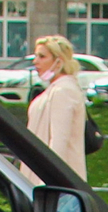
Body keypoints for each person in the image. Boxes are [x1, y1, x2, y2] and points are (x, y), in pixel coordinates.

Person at [24, 35, 89, 181]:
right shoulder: (57, 89)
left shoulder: (63, 91)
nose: (36, 62)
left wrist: (48, 180)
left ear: (58, 61)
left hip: (54, 184)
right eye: (36, 56)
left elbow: (59, 142)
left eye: (42, 57)